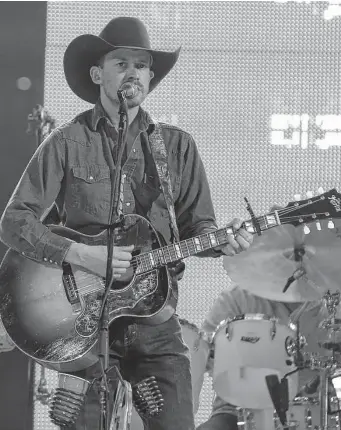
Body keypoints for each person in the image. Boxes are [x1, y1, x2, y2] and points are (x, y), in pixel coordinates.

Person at [0, 17, 253, 430]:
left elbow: (198, 229)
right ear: (98, 74)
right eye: (122, 62)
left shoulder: (176, 146)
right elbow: (13, 222)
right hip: (80, 323)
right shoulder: (67, 141)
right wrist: (82, 254)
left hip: (155, 321)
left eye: (141, 64)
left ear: (150, 77)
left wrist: (222, 240)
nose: (133, 71)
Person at [196, 283, 329, 430]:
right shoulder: (238, 298)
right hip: (238, 408)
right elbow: (203, 355)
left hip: (315, 409)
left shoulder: (333, 305)